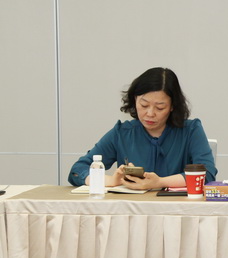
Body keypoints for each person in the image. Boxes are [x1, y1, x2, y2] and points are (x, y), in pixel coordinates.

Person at [68, 67, 217, 189]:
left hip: (177, 210)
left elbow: (207, 174)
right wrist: (111, 181)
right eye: (144, 105)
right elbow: (77, 171)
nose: (150, 113)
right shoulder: (122, 133)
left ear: (172, 106)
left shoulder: (191, 131)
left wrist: (160, 182)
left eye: (160, 107)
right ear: (134, 100)